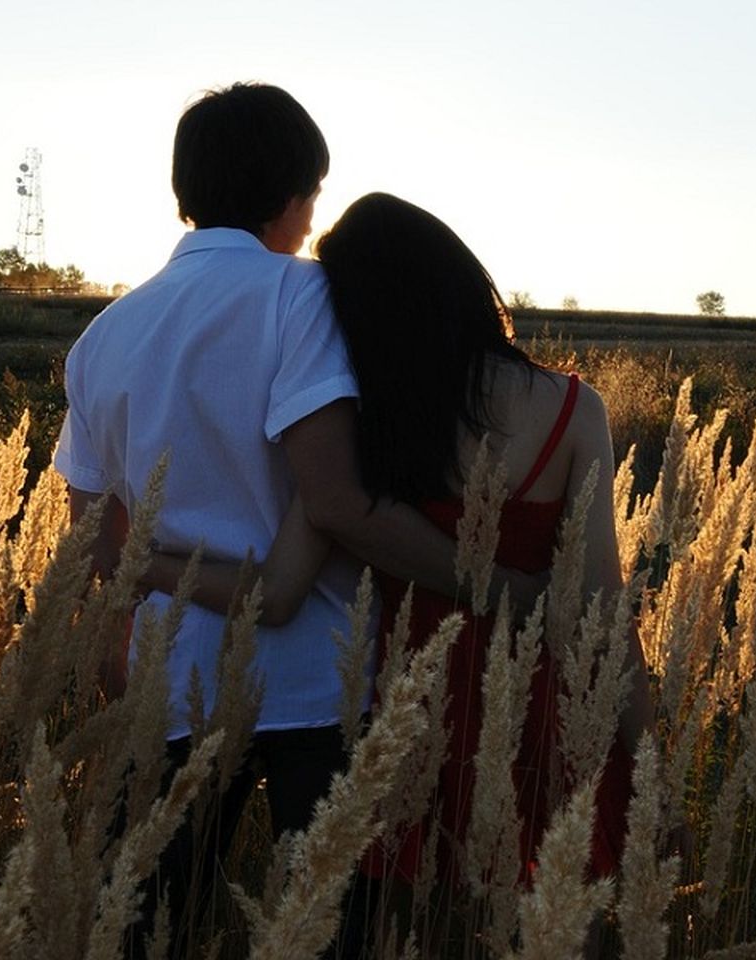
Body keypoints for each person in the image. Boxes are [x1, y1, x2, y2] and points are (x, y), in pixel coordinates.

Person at [54, 86, 535, 958]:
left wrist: (174, 574)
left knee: (151, 928)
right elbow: (336, 499)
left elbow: (97, 545)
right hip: (315, 679)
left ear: (183, 189)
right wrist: (495, 586)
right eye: (313, 197)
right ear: (296, 197)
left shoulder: (101, 338)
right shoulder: (300, 296)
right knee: (330, 931)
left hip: (171, 684)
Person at [143, 192, 658, 951]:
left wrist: (136, 562)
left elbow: (284, 581)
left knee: (402, 935)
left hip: (403, 713)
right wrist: (651, 764)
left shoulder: (362, 428)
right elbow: (601, 615)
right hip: (546, 715)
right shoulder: (575, 410)